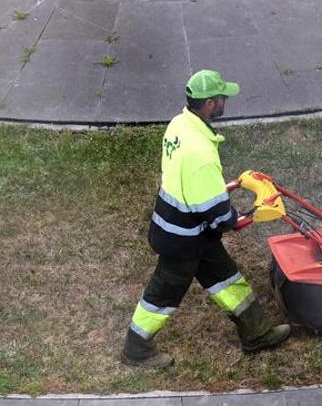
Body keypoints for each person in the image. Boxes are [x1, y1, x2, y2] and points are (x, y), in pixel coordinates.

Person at [120, 69, 291, 368]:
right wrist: (239, 217)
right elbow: (216, 213)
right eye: (223, 97)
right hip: (183, 240)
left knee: (226, 279)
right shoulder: (200, 153)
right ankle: (135, 350)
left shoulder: (179, 125)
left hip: (182, 225)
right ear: (210, 103)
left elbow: (191, 186)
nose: (226, 100)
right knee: (161, 297)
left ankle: (256, 333)